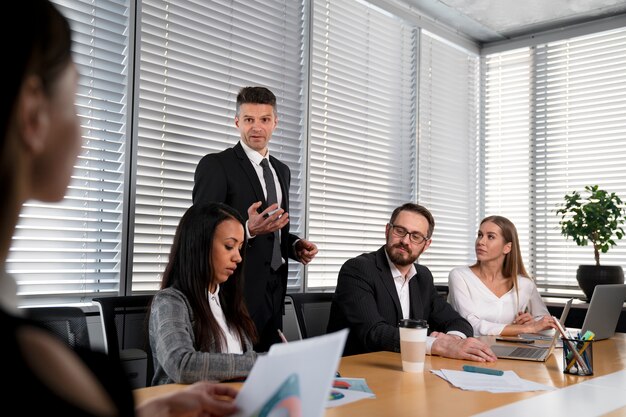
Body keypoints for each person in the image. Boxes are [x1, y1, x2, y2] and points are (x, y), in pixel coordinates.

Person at [0, 1, 238, 415]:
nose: (84, 136)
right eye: (74, 100)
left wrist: (153, 412)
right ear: (33, 113)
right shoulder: (42, 365)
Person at [192, 86, 318, 352]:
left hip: (274, 291)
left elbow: (272, 230)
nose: (257, 127)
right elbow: (200, 229)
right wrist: (247, 229)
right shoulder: (216, 165)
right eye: (249, 119)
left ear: (275, 123)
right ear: (237, 122)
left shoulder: (281, 171)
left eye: (264, 119)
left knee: (267, 371)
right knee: (236, 374)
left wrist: (293, 246)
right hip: (233, 291)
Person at [327, 203, 497, 362]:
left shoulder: (422, 276)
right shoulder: (358, 269)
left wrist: (453, 339)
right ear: (387, 230)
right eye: (400, 231)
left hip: (405, 368)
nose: (405, 241)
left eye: (416, 236)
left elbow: (457, 322)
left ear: (426, 244)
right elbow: (374, 333)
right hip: (360, 369)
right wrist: (438, 345)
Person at [149, 202, 258, 384]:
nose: (238, 257)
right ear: (199, 245)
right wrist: (261, 361)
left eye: (240, 248)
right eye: (229, 246)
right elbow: (182, 365)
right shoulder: (170, 301)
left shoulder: (227, 300)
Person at [447, 215, 555, 336]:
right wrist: (527, 329)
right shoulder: (460, 276)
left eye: (491, 237)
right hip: (469, 351)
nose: (481, 242)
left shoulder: (525, 284)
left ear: (507, 247)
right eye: (480, 235)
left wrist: (532, 322)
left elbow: (548, 327)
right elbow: (469, 325)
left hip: (510, 350)